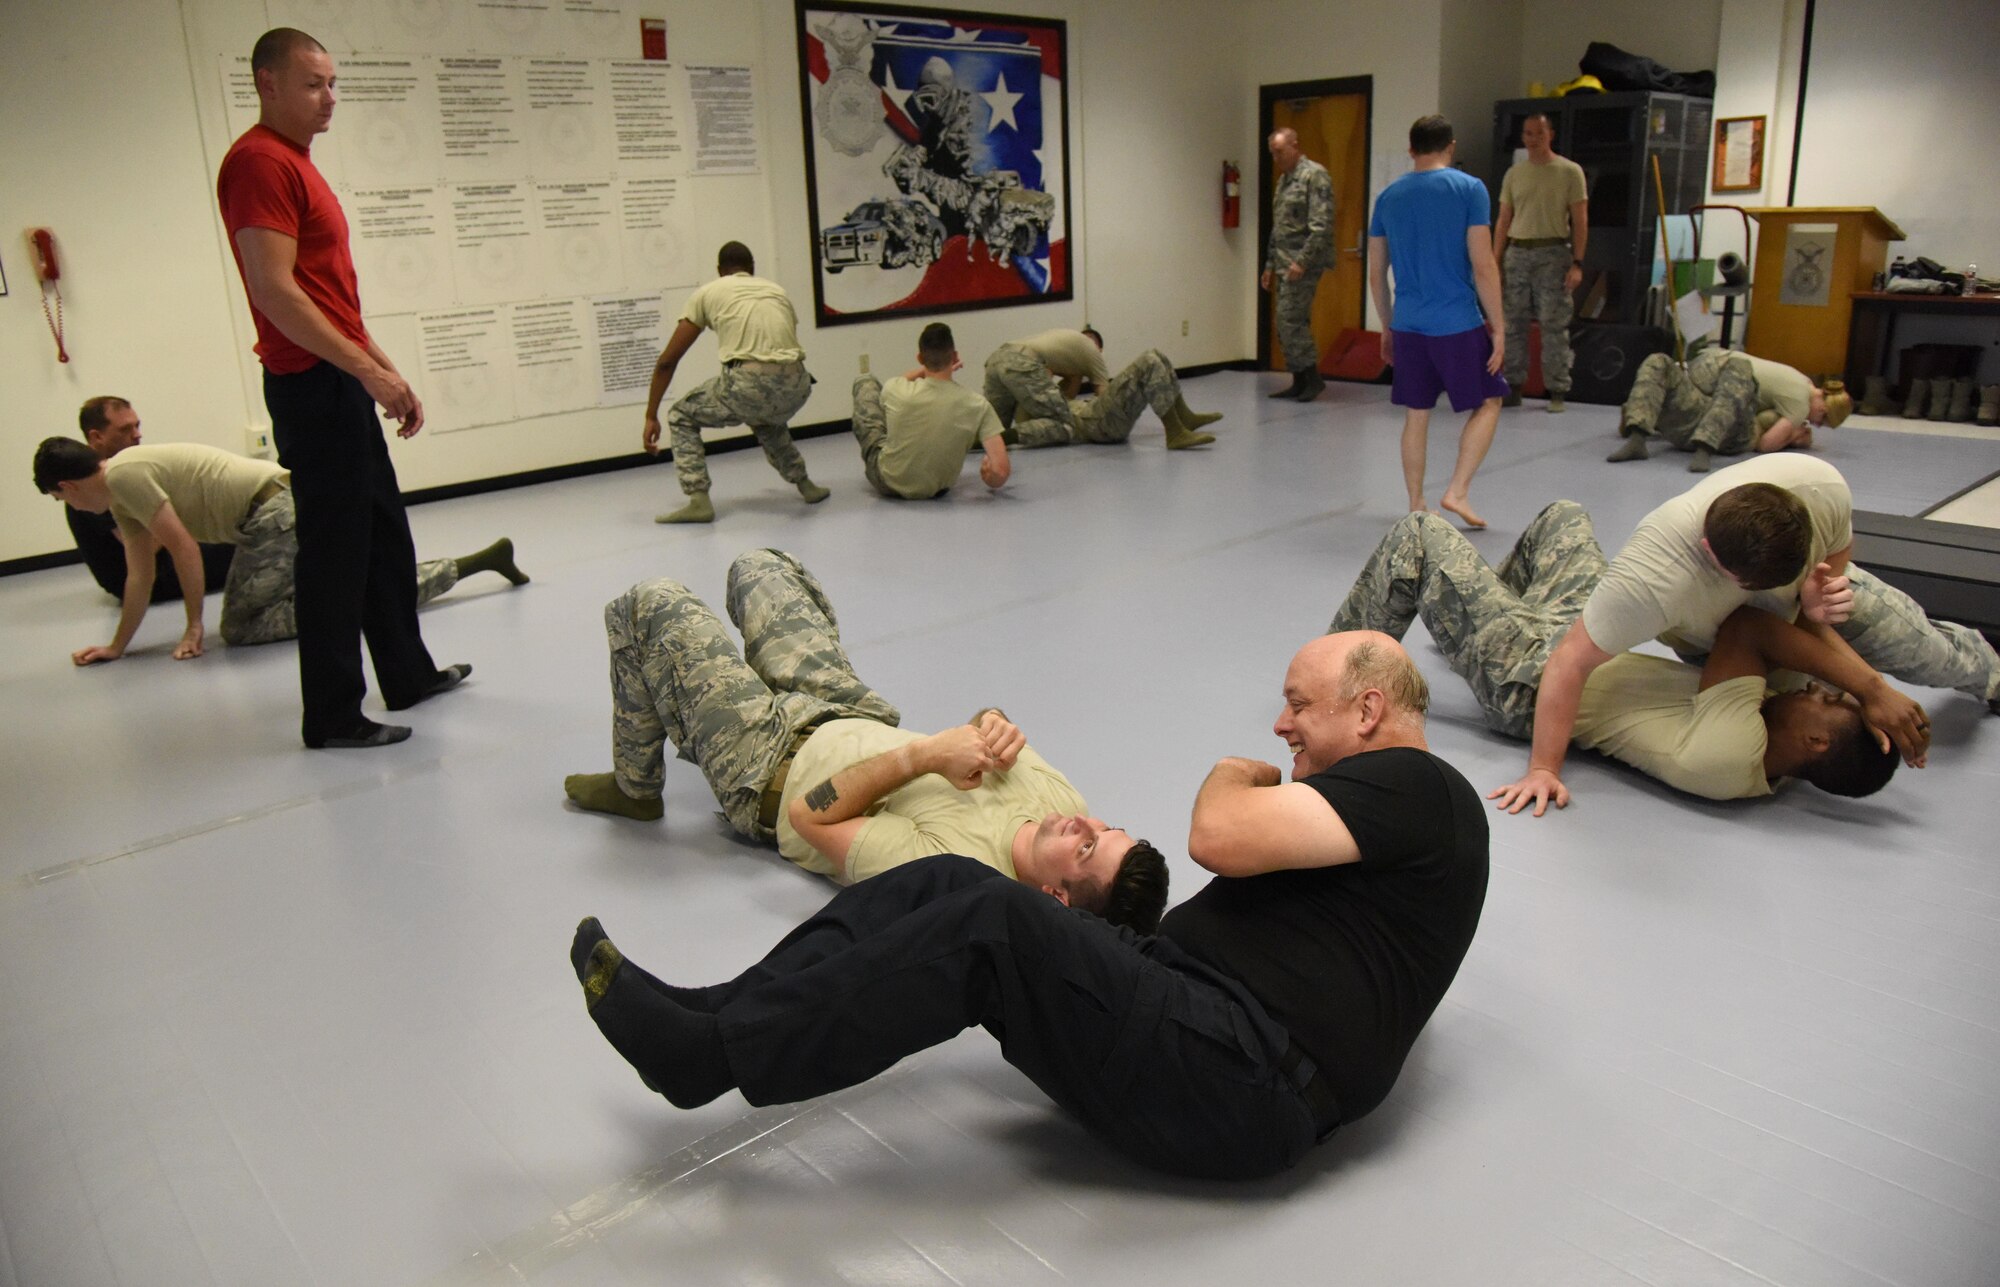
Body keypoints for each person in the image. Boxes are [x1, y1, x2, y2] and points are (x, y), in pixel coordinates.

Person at [567, 630, 1488, 1181]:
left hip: (1240, 1076)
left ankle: (709, 1057)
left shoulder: (1422, 787)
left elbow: (1216, 833)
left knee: (996, 919)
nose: (1280, 728)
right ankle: (716, 1012)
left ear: (1368, 713)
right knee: (956, 882)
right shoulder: (1390, 836)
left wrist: (1233, 770)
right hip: (1197, 1035)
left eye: (1298, 706)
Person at [561, 548, 1170, 931]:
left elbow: (810, 819)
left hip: (766, 766)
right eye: (1106, 829)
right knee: (762, 566)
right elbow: (988, 719)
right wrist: (995, 722)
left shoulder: (960, 878)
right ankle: (750, 681)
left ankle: (634, 785)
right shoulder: (1065, 812)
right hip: (849, 713)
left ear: (1055, 898)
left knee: (648, 602)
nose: (1083, 826)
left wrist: (923, 754)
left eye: (1088, 849)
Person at [1490, 455, 1998, 817]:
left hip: (1794, 593)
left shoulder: (1817, 489)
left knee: (1927, 651)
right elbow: (1573, 658)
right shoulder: (1656, 577)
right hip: (1724, 631)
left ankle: (1992, 672)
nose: (1827, 692)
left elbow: (1828, 563)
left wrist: (1818, 605)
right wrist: (1870, 688)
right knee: (1786, 687)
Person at [218, 27, 468, 750]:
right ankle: (330, 714)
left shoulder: (296, 162)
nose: (329, 99)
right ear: (267, 83)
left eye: (333, 84)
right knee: (334, 553)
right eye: (312, 84)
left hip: (338, 374)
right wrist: (363, 370)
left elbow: (331, 299)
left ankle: (408, 671)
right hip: (310, 384)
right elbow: (274, 290)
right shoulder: (259, 163)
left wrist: (385, 369)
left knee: (383, 531)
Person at [1330, 505, 1903, 801]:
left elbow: (1751, 627)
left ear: (1817, 741)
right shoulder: (1781, 738)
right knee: (1565, 516)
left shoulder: (1733, 754)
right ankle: (1467, 614)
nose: (1816, 688)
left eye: (1829, 701)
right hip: (1576, 645)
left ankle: (1333, 678)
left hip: (1529, 679)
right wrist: (1866, 698)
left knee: (1420, 535)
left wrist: (1872, 688)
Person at [33, 437, 525, 666]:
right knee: (330, 591)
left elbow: (183, 548)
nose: (72, 507)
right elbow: (137, 577)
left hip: (274, 514)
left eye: (63, 499)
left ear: (69, 486)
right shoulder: (121, 495)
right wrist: (117, 647)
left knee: (243, 628)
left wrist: (193, 628)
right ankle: (473, 564)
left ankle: (351, 601)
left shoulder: (123, 476)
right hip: (272, 512)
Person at [1369, 115, 1507, 530]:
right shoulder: (1470, 190)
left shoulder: (1388, 197)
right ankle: (1457, 490)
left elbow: (1377, 273)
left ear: (1411, 150)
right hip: (1457, 322)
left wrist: (1387, 325)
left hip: (1409, 324)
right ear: (1451, 146)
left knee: (1417, 413)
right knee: (1489, 400)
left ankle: (1416, 502)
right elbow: (1483, 265)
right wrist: (1498, 327)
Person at [641, 242, 829, 524]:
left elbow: (667, 361)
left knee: (681, 414)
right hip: (799, 386)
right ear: (752, 268)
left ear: (720, 271)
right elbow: (779, 350)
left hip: (749, 384)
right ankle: (806, 485)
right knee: (766, 415)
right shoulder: (776, 291)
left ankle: (698, 500)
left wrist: (650, 414)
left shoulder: (707, 292)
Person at [65, 396, 236, 604]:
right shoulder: (93, 485)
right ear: (96, 436)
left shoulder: (121, 470)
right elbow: (144, 544)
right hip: (152, 576)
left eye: (137, 426)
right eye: (125, 429)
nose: (137, 434)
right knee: (242, 538)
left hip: (156, 565)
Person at [1608, 348, 1854, 471]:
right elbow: (1767, 445)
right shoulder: (1800, 402)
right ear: (1822, 398)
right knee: (1659, 360)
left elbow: (1764, 440)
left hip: (1725, 415)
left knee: (1737, 366)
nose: (1817, 424)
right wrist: (1794, 435)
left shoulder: (1800, 381)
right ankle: (1638, 434)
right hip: (1714, 403)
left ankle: (1697, 440)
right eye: (1822, 417)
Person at [981, 327, 1219, 450]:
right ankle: (1175, 432)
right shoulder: (1040, 394)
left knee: (1156, 355)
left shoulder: (1044, 385)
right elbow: (1100, 400)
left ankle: (1183, 418)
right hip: (1096, 421)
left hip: (1091, 414)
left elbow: (1065, 399)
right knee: (1149, 359)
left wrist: (1074, 375)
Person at [850, 322, 1011, 499]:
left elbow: (900, 379)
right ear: (955, 356)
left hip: (888, 482)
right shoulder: (977, 404)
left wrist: (926, 369)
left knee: (866, 382)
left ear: (920, 358)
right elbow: (1000, 471)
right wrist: (991, 477)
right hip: (939, 488)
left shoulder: (896, 388)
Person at [1492, 113, 1587, 412]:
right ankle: (1514, 385)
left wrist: (1577, 263)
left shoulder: (1570, 172)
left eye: (1539, 133)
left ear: (1551, 135)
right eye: (1528, 133)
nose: (1533, 139)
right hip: (1518, 253)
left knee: (1553, 323)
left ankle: (1557, 388)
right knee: (1513, 323)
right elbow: (1504, 219)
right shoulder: (1514, 174)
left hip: (1553, 253)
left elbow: (1581, 219)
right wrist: (1495, 260)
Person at [1260, 127, 1334, 401]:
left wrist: (1302, 261)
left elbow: (1321, 225)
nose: (1276, 158)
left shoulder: (1314, 176)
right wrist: (1269, 264)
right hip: (1282, 261)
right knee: (1287, 321)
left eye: (1280, 152)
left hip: (1303, 262)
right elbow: (1279, 228)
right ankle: (1299, 379)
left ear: (1295, 146)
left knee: (1290, 319)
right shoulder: (1284, 181)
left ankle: (1312, 379)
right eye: (1273, 154)